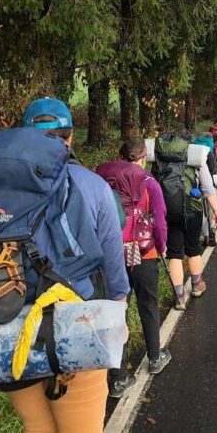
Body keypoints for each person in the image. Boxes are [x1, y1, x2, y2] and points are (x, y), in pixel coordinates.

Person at [6, 98, 130, 433]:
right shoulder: (93, 187)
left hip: (10, 327)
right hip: (78, 325)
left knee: (37, 428)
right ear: (70, 137)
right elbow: (113, 266)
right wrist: (118, 316)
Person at [96, 139, 171, 398]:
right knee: (147, 304)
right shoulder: (148, 182)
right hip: (144, 252)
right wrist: (162, 247)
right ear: (143, 157)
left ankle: (117, 378)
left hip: (111, 254)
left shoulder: (102, 178)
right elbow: (160, 222)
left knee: (117, 310)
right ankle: (155, 356)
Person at [153, 131, 217, 310]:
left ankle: (179, 296)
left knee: (174, 252)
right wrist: (216, 210)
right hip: (193, 206)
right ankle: (197, 285)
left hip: (168, 207)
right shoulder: (195, 155)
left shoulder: (161, 156)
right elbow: (207, 186)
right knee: (193, 247)